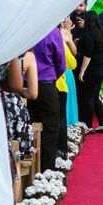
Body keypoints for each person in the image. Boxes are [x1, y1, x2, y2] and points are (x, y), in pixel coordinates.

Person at [28, 26, 66, 170]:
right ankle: (47, 170)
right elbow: (61, 63)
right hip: (46, 85)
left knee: (29, 126)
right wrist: (51, 77)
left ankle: (33, 171)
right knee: (50, 129)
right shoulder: (53, 31)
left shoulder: (25, 29)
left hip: (25, 85)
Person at [78, 11, 103, 132]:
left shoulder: (88, 35)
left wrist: (82, 71)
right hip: (102, 67)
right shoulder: (101, 33)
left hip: (93, 69)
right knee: (95, 96)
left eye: (83, 19)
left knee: (89, 97)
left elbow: (88, 55)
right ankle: (102, 124)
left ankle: (89, 126)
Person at [56, 26, 78, 156]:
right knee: (60, 118)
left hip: (39, 84)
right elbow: (72, 62)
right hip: (59, 82)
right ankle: (61, 151)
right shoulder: (58, 38)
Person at [61, 17, 79, 126]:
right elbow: (74, 52)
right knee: (68, 99)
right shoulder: (65, 34)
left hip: (55, 72)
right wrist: (69, 38)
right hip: (66, 69)